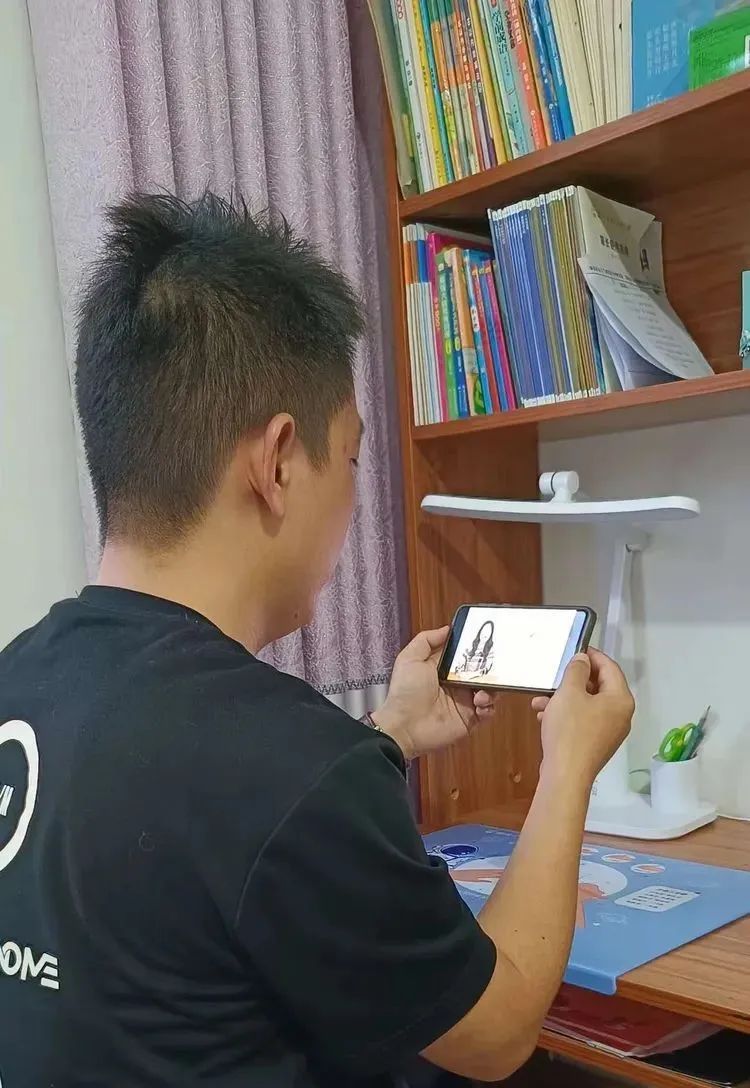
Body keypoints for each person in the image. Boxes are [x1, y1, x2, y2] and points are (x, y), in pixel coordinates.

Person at [0, 193, 634, 1088]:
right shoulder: (288, 762)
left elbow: (196, 841)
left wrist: (388, 735)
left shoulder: (22, 676)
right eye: (351, 456)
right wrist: (568, 766)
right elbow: (496, 1033)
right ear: (276, 462)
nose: (351, 492)